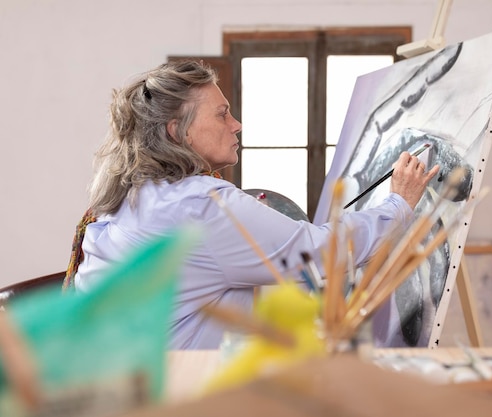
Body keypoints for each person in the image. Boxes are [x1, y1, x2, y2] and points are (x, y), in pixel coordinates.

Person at [63, 60, 440, 349]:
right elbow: (318, 255)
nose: (237, 124)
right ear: (177, 131)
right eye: (222, 113)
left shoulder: (129, 194)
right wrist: (399, 205)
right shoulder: (202, 205)